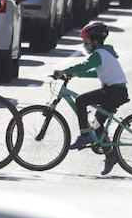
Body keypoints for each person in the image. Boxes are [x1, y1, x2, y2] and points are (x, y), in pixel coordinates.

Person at [52, 20, 128, 176]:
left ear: (95, 40)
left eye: (86, 41)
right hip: (117, 92)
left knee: (81, 100)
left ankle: (84, 135)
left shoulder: (98, 54)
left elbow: (85, 65)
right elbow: (96, 72)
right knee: (98, 123)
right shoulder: (105, 53)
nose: (85, 44)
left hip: (113, 92)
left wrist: (65, 71)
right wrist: (75, 74)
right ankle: (110, 155)